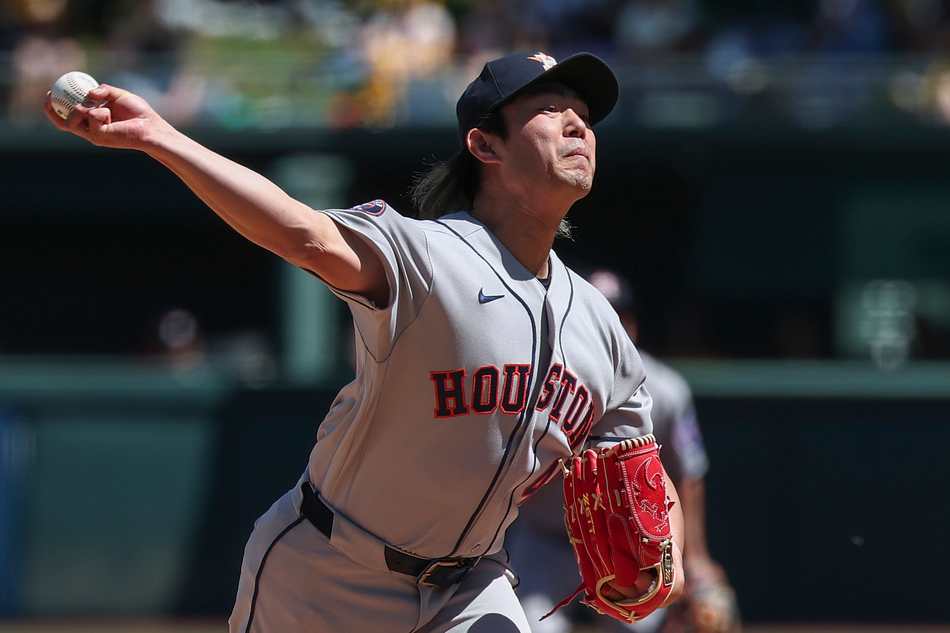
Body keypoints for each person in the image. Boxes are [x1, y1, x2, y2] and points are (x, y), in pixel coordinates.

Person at [44, 50, 685, 632]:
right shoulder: (426, 254)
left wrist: (674, 553)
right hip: (328, 573)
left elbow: (644, 466)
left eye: (584, 115)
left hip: (471, 587)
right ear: (485, 145)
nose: (578, 125)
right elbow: (301, 233)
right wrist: (160, 137)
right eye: (550, 109)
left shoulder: (598, 322)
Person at [507, 269, 740, 633]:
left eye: (616, 314)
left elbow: (685, 474)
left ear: (630, 323)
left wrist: (693, 557)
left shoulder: (666, 389)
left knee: (635, 626)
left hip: (631, 545)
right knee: (534, 629)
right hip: (546, 541)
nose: (605, 325)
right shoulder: (538, 381)